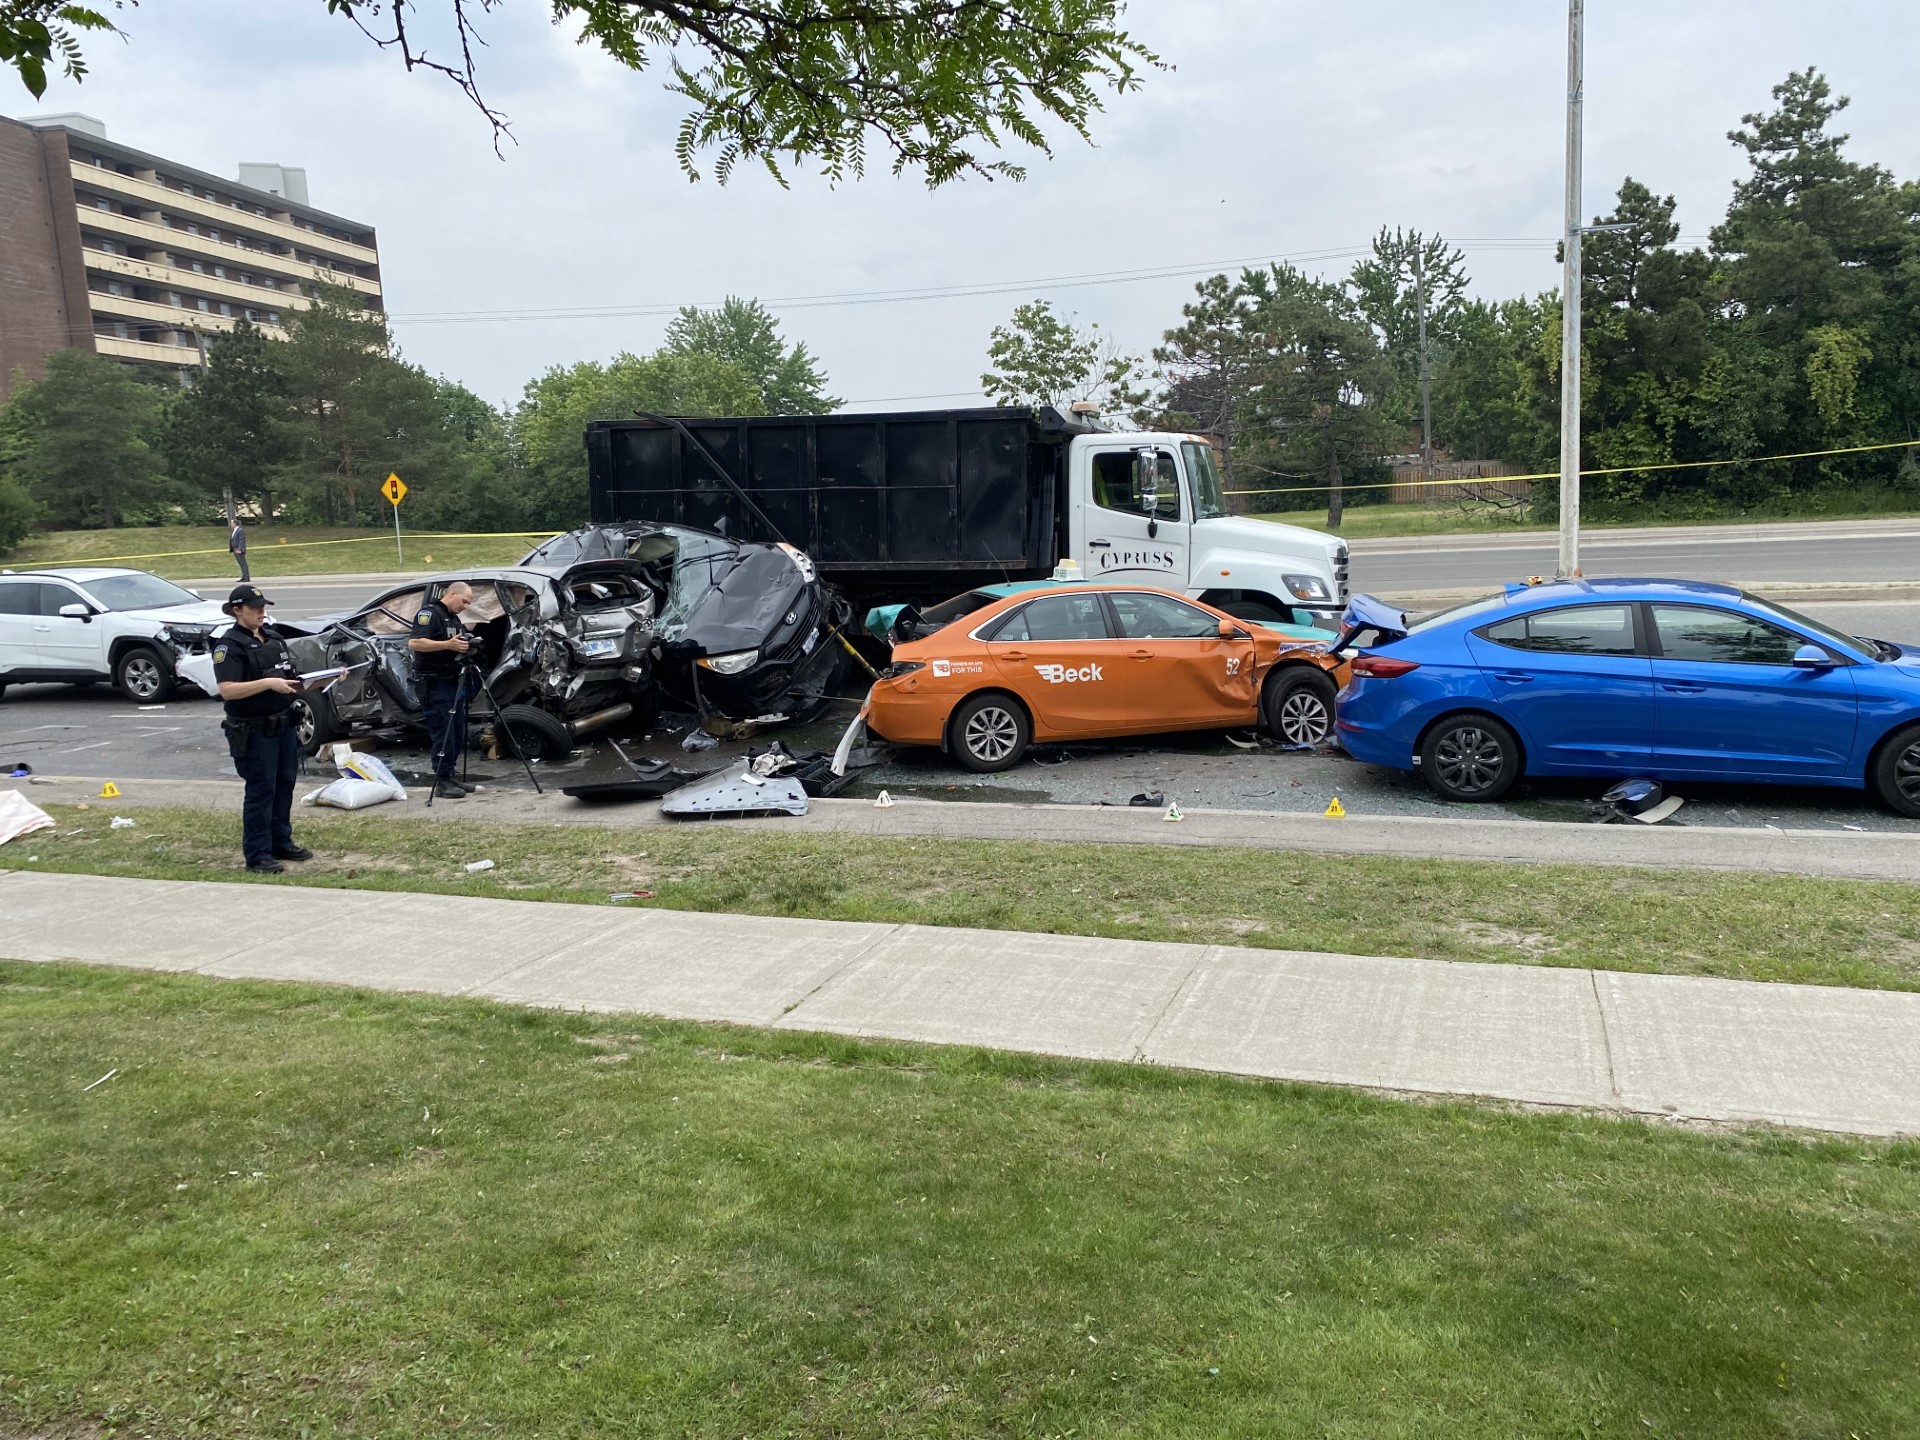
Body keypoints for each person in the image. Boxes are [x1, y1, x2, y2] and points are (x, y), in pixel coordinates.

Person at [211, 583, 312, 874]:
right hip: (253, 730)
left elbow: (292, 680)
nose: (261, 613)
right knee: (261, 791)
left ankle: (281, 842)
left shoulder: (273, 640)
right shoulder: (228, 646)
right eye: (255, 609)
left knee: (284, 786)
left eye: (263, 608)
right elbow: (228, 690)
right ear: (236, 610)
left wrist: (322, 680)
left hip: (282, 724)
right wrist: (267, 684)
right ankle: (257, 855)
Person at [408, 581, 475, 799]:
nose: (465, 606)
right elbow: (415, 643)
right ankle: (442, 780)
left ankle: (450, 773)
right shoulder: (428, 614)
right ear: (452, 593)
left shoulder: (453, 618)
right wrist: (447, 645)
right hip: (434, 682)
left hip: (451, 681)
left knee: (456, 731)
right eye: (464, 601)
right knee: (442, 731)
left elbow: (458, 641)